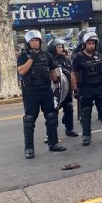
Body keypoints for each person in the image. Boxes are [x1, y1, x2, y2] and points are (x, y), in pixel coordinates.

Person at [17, 30, 67, 159]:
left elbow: (52, 70)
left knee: (51, 116)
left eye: (37, 40)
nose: (35, 43)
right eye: (32, 41)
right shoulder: (23, 56)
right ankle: (29, 148)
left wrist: (56, 86)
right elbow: (22, 71)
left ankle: (53, 143)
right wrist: (31, 58)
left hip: (46, 90)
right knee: (29, 120)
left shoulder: (46, 55)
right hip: (31, 92)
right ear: (28, 43)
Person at [71, 32, 102, 146]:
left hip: (99, 87)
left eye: (93, 43)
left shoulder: (100, 56)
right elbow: (73, 73)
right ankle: (86, 136)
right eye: (89, 43)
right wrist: (75, 89)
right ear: (84, 44)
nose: (91, 45)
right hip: (85, 88)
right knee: (86, 113)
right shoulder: (78, 57)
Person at [47, 39, 78, 137]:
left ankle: (69, 129)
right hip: (55, 90)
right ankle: (50, 135)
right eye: (58, 47)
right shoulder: (50, 60)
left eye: (62, 47)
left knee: (69, 107)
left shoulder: (66, 59)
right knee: (53, 112)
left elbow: (72, 73)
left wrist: (75, 87)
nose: (61, 49)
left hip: (67, 88)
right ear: (53, 49)